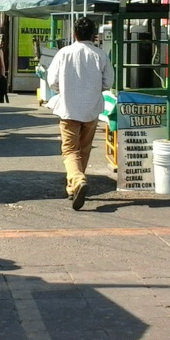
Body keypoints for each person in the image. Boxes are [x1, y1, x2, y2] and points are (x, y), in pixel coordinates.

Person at [46, 17, 113, 211]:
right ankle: (73, 187)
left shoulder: (63, 53)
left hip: (68, 108)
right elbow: (108, 82)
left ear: (74, 34)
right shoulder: (100, 55)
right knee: (84, 149)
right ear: (94, 35)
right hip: (91, 109)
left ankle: (77, 180)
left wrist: (65, 90)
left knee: (69, 150)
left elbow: (52, 80)